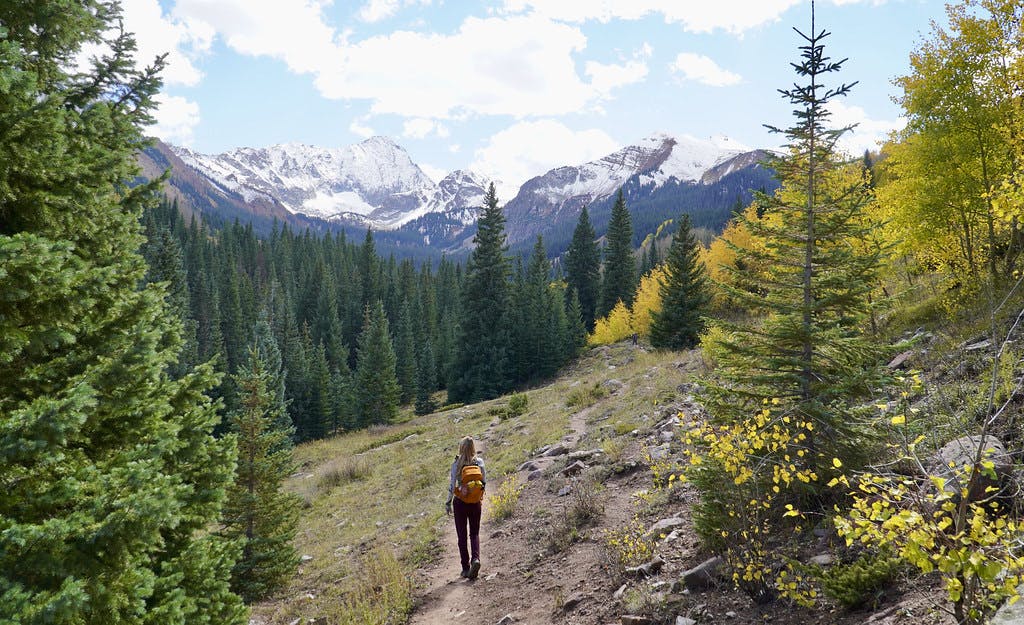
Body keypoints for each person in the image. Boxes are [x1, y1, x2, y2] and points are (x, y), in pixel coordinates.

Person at [445, 436, 486, 580]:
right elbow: (484, 482)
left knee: (461, 536)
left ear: (461, 448)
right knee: (474, 533)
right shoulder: (479, 462)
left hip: (460, 503)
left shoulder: (456, 464)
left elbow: (452, 486)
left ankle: (465, 568)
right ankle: (476, 559)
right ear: (473, 447)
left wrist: (448, 503)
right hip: (475, 503)